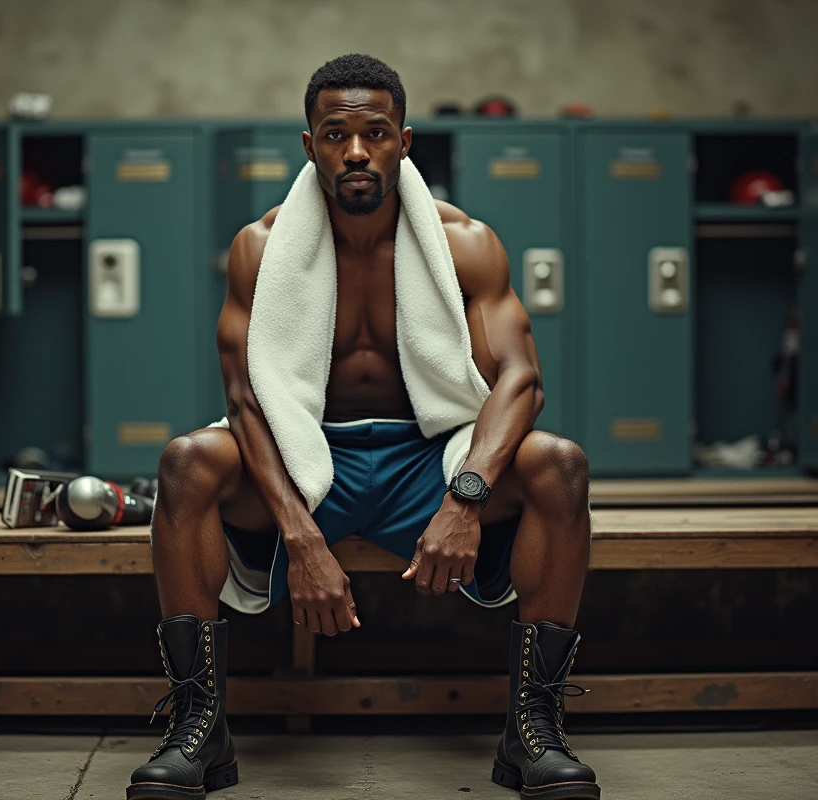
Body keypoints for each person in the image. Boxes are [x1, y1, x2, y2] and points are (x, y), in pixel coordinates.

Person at [126, 54, 598, 800]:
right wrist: (301, 538)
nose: (354, 151)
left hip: (429, 458)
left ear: (403, 142)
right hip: (309, 459)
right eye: (335, 134)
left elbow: (521, 379)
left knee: (561, 465)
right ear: (309, 144)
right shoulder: (261, 247)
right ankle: (200, 727)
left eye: (373, 133)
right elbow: (247, 399)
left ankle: (532, 732)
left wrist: (465, 498)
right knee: (186, 462)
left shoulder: (466, 242)